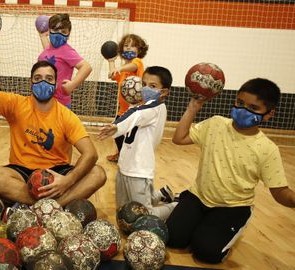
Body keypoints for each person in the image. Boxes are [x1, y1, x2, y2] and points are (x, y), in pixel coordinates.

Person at [167, 78, 295, 263]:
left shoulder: (267, 148)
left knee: (206, 253)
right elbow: (179, 138)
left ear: (269, 114)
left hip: (233, 208)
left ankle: (231, 229)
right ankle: (180, 206)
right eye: (240, 103)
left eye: (253, 108)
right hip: (199, 197)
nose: (243, 110)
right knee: (173, 239)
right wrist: (192, 108)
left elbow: (280, 192)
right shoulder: (216, 123)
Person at [0, 34, 106, 207]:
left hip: (57, 171)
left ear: (56, 83)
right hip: (22, 171)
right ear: (31, 82)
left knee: (98, 173)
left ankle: (52, 207)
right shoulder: (16, 104)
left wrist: (67, 180)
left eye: (49, 79)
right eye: (38, 78)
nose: (43, 82)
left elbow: (91, 153)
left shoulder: (66, 115)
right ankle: (47, 207)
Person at [98, 66, 176, 220]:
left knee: (144, 216)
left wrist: (116, 126)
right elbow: (134, 112)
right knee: (124, 213)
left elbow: (137, 115)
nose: (146, 89)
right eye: (144, 84)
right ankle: (161, 195)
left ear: (164, 92)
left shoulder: (155, 108)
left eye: (152, 86)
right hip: (124, 166)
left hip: (139, 170)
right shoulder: (142, 105)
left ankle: (176, 206)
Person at [106, 34, 149, 162]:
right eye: (126, 45)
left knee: (130, 137)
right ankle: (120, 154)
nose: (129, 48)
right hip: (122, 110)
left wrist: (120, 67)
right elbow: (113, 76)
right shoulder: (123, 69)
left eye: (133, 46)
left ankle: (129, 158)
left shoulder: (137, 63)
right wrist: (111, 62)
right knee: (116, 133)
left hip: (135, 109)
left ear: (139, 50)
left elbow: (133, 65)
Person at [38, 13, 92, 109]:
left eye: (63, 31)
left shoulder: (67, 51)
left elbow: (86, 67)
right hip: (44, 101)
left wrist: (72, 84)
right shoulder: (49, 49)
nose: (58, 34)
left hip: (60, 104)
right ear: (49, 30)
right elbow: (50, 54)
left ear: (69, 34)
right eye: (55, 30)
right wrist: (43, 36)